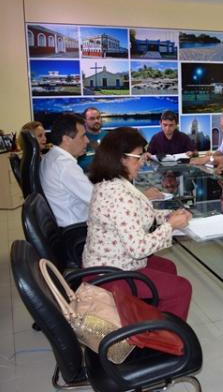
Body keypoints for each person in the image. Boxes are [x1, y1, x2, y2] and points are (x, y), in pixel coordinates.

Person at [82, 127, 193, 320]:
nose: (142, 162)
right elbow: (139, 248)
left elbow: (137, 215)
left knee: (167, 268)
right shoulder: (119, 195)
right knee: (182, 288)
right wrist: (171, 226)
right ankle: (166, 337)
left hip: (111, 262)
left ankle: (148, 317)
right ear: (121, 158)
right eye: (138, 157)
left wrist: (167, 216)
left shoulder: (111, 182)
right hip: (111, 275)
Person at [40, 113, 93, 227]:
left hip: (64, 225)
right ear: (67, 139)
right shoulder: (65, 166)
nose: (87, 141)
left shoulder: (51, 156)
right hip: (76, 231)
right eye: (83, 136)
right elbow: (97, 200)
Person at [78, 107, 108, 171]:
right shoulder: (79, 138)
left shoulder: (109, 136)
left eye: (98, 118)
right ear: (84, 121)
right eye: (92, 119)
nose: (96, 121)